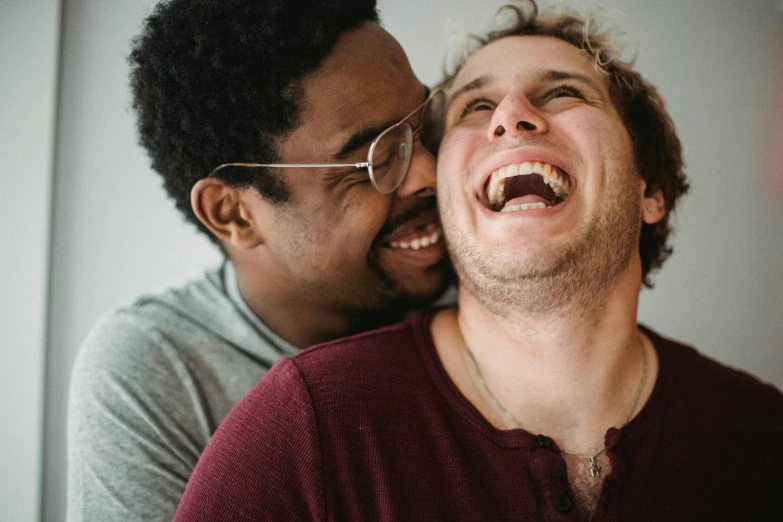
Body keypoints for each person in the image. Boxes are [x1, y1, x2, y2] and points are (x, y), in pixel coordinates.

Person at [172, 1, 783, 521]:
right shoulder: (302, 427)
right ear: (445, 194)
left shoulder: (758, 435)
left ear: (649, 188)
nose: (511, 115)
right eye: (472, 107)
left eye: (564, 92)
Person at [66, 0, 454, 520]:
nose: (429, 174)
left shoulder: (482, 282)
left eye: (424, 123)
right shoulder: (161, 373)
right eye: (378, 158)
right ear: (234, 214)